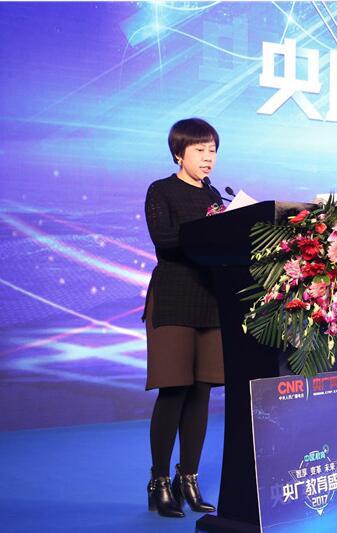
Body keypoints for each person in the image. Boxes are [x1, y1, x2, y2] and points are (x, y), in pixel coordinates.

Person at [143, 117, 225, 518]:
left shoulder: (215, 196)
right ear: (179, 153)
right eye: (200, 150)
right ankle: (159, 481)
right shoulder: (161, 190)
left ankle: (187, 478)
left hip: (211, 298)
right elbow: (165, 239)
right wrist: (213, 228)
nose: (208, 157)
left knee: (202, 391)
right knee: (174, 389)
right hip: (174, 297)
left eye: (213, 150)